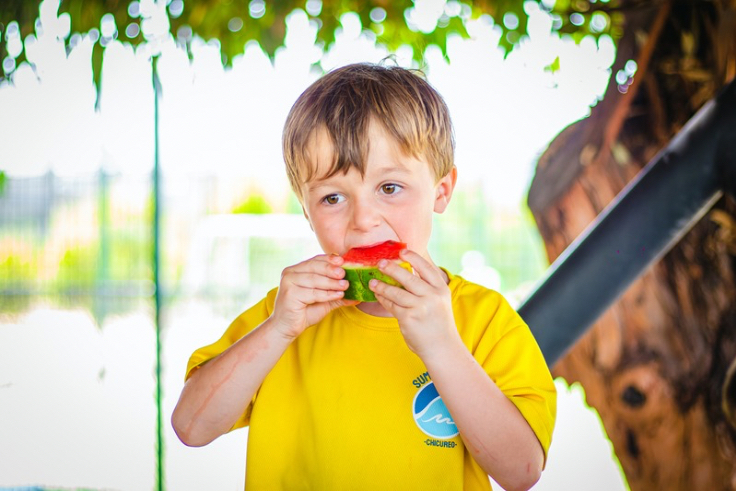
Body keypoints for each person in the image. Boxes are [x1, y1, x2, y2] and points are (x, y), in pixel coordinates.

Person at [171, 62, 556, 491]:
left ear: (441, 191)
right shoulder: (282, 316)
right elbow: (191, 426)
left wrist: (442, 346)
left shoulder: (484, 320)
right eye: (332, 197)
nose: (363, 220)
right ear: (306, 212)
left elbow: (521, 471)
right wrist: (278, 329)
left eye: (389, 188)